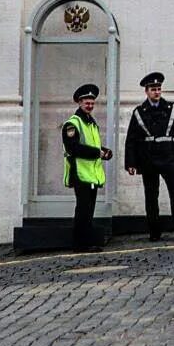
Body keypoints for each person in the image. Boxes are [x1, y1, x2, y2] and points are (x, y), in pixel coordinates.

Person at [125, 72, 174, 241]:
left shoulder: (173, 109)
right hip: (149, 160)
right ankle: (154, 233)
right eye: (153, 89)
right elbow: (131, 139)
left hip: (170, 158)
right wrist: (130, 163)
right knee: (151, 197)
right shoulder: (139, 112)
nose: (157, 92)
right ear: (146, 91)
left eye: (159, 89)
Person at [62, 84, 113, 252]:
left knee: (89, 210)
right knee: (83, 210)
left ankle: (87, 243)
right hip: (80, 173)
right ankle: (80, 244)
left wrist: (104, 151)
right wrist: (97, 153)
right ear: (79, 102)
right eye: (86, 102)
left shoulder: (91, 123)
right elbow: (73, 148)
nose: (90, 105)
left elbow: (91, 145)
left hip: (91, 174)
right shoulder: (72, 123)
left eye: (92, 102)